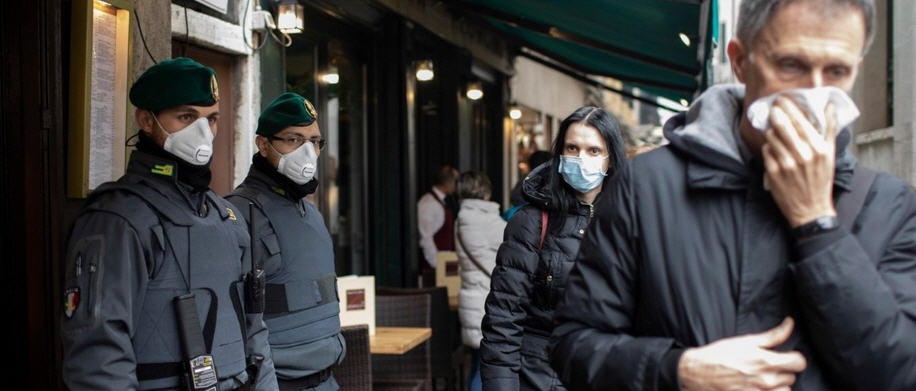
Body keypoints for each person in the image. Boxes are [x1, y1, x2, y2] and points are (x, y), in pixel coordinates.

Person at [551, 1, 916, 390]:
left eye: (836, 72)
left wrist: (817, 223)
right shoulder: (646, 186)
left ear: (857, 70)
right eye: (791, 65)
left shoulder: (889, 205)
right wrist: (677, 371)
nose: (814, 92)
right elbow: (574, 346)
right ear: (741, 61)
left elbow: (899, 374)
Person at [61, 57, 277, 390]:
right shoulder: (117, 220)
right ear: (146, 120)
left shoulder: (225, 217)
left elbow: (254, 330)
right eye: (186, 116)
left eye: (212, 119)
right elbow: (99, 359)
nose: (203, 132)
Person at [479, 106, 626, 391]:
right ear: (560, 153)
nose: (581, 158)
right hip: (539, 377)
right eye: (573, 147)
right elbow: (503, 321)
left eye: (594, 150)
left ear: (610, 159)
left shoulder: (630, 222)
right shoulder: (532, 221)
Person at [226, 92, 345, 391]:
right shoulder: (237, 214)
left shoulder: (313, 216)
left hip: (327, 379)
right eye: (294, 139)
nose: (308, 151)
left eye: (315, 141)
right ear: (263, 144)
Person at [454, 171, 507, 391]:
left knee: (477, 363)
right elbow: (512, 248)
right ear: (484, 191)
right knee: (484, 367)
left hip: (473, 297)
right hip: (486, 300)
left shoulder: (464, 218)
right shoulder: (483, 219)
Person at [418, 165, 460, 272]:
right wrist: (437, 265)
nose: (455, 187)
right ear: (448, 182)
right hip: (433, 268)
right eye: (455, 182)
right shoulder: (429, 204)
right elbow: (426, 237)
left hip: (444, 265)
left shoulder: (440, 202)